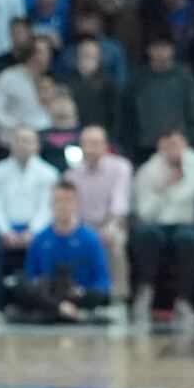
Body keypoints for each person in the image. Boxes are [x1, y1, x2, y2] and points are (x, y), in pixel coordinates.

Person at [131, 128, 194, 326]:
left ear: (185, 145)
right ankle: (146, 291)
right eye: (168, 145)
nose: (173, 150)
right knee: (146, 236)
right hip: (158, 223)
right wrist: (163, 188)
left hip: (187, 224)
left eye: (177, 144)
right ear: (160, 146)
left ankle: (184, 300)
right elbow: (144, 213)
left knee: (189, 241)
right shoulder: (148, 171)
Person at [8, 182, 110, 323]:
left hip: (77, 296)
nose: (63, 206)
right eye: (58, 201)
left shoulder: (90, 239)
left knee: (99, 296)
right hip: (48, 296)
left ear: (76, 205)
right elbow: (30, 277)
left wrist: (83, 291)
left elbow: (102, 279)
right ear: (51, 204)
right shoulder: (40, 239)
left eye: (68, 201)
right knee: (19, 285)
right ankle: (65, 311)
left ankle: (56, 313)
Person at [63, 125, 132, 310]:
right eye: (87, 144)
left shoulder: (120, 167)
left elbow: (120, 202)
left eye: (96, 144)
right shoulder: (71, 175)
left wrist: (109, 226)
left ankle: (118, 300)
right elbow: (71, 208)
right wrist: (82, 231)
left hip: (112, 222)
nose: (91, 149)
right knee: (70, 239)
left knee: (114, 239)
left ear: (105, 145)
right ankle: (77, 297)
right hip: (82, 227)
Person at [0, 126, 60, 275]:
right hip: (5, 230)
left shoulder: (50, 174)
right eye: (18, 140)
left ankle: (41, 293)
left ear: (37, 145)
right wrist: (5, 231)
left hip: (37, 230)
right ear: (11, 143)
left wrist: (32, 231)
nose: (22, 145)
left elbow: (46, 207)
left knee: (47, 243)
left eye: (27, 141)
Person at [123, 36, 194, 162]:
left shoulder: (185, 78)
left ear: (172, 50)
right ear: (149, 50)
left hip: (180, 147)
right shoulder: (138, 79)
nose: (161, 52)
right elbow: (128, 116)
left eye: (165, 47)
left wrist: (189, 139)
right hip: (145, 149)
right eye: (156, 47)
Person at [0, 34, 53, 149]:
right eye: (42, 52)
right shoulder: (8, 78)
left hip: (43, 142)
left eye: (48, 52)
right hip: (11, 143)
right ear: (31, 54)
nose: (47, 57)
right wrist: (18, 127)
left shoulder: (48, 80)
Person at [60, 36, 120, 134]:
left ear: (98, 55)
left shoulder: (109, 83)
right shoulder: (67, 80)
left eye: (91, 54)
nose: (87, 56)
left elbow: (114, 116)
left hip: (98, 133)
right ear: (78, 53)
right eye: (84, 53)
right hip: (72, 133)